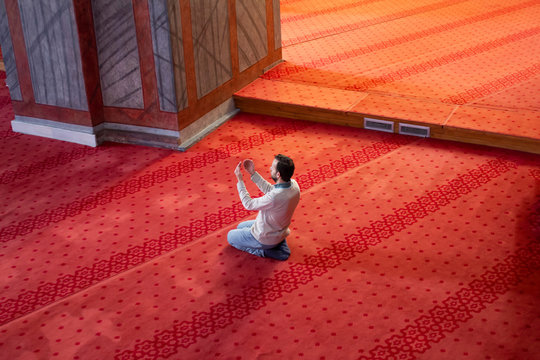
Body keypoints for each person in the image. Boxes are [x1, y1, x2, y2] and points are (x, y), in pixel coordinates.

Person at [228, 154, 300, 260]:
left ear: (278, 174)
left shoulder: (275, 197)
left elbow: (248, 204)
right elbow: (272, 190)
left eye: (273, 167)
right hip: (279, 230)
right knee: (240, 226)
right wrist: (253, 173)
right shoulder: (294, 185)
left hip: (264, 237)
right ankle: (279, 242)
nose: (270, 168)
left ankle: (264, 251)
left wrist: (240, 180)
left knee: (230, 237)